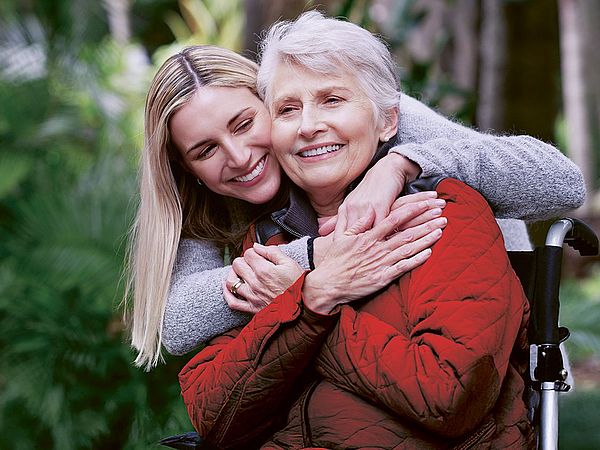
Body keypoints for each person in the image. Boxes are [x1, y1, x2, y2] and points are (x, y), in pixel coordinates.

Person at [126, 27, 585, 370]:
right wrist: (316, 256)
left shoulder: (370, 115)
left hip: (489, 331)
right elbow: (177, 321)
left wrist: (400, 162)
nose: (239, 156)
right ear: (186, 168)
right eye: (204, 150)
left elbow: (561, 183)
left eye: (244, 123)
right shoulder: (208, 198)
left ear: (267, 100)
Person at [178, 11, 536, 448]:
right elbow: (218, 419)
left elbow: (448, 396)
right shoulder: (271, 240)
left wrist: (310, 305)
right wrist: (310, 295)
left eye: (332, 100)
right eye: (288, 109)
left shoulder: (439, 215)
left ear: (387, 121)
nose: (309, 125)